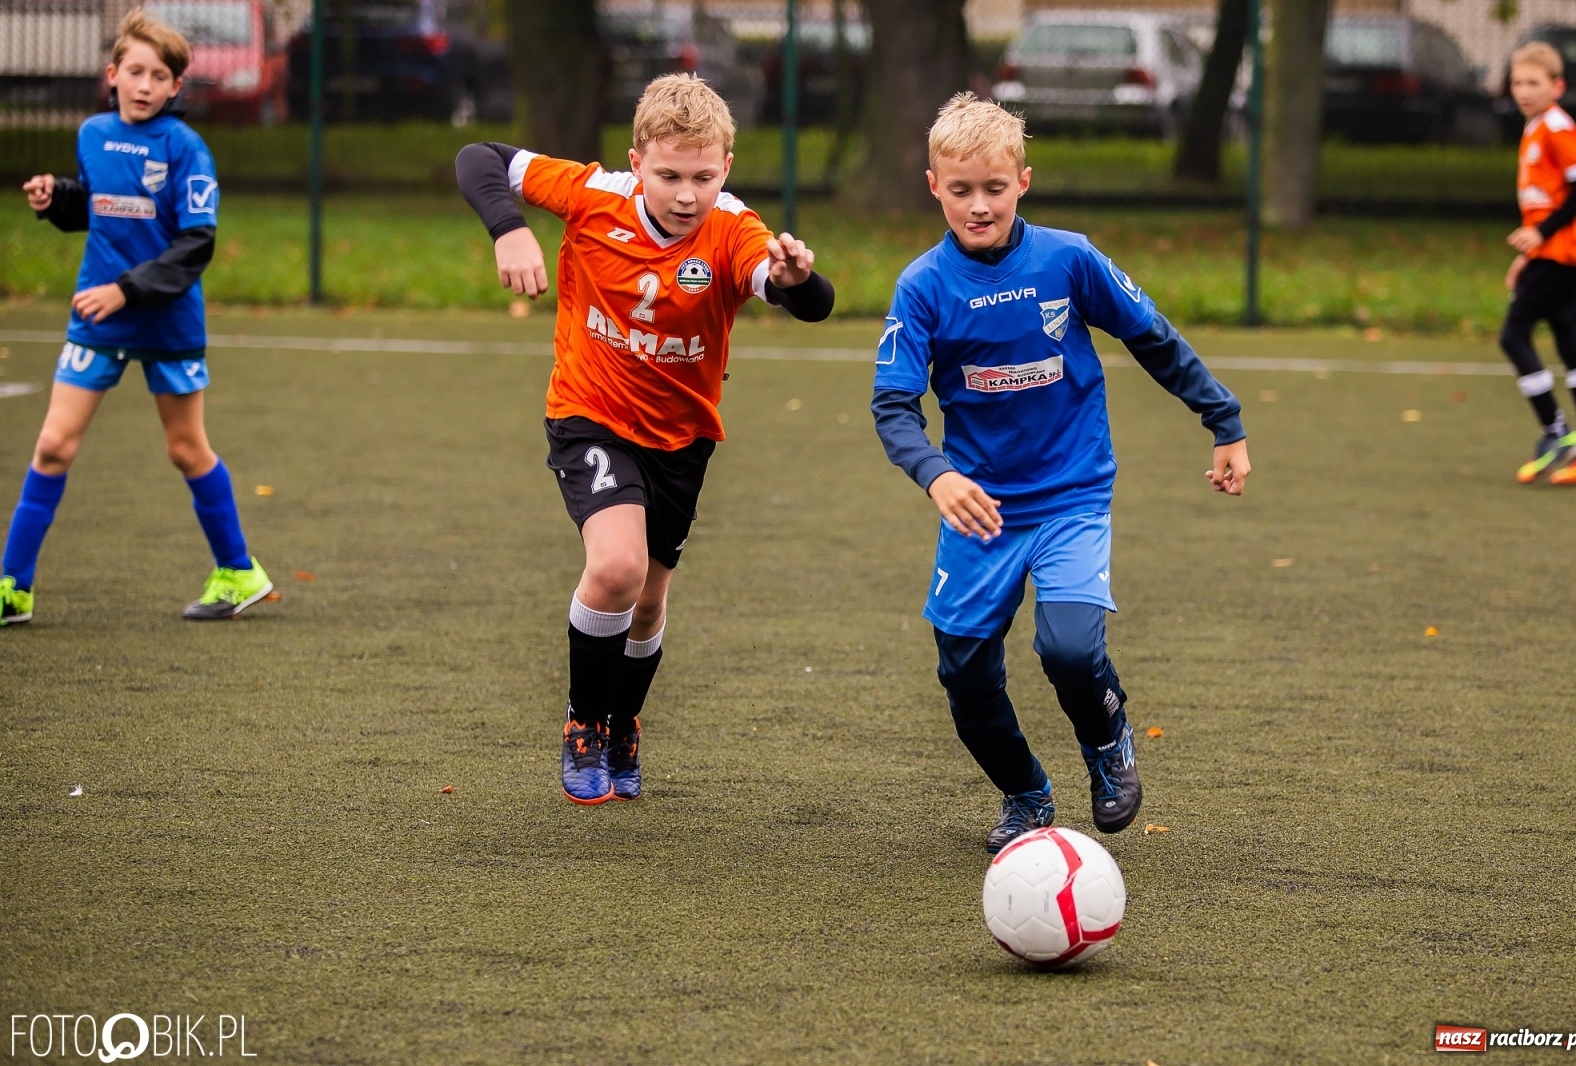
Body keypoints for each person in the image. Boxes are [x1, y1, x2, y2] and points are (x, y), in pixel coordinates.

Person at [872, 93, 1249, 852]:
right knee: (965, 675)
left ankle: (1108, 744)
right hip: (980, 506)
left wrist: (1224, 421)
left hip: (1074, 492)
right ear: (933, 186)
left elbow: (1155, 339)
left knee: (1070, 647)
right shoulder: (923, 287)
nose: (979, 206)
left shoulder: (1068, 259)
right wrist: (937, 475)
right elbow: (893, 406)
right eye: (960, 190)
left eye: (995, 188)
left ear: (1023, 182)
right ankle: (1025, 794)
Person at [455, 74, 834, 805]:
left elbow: (803, 299)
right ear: (638, 162)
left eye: (702, 175)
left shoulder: (733, 227)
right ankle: (583, 723)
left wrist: (796, 279)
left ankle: (625, 720)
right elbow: (480, 156)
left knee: (650, 604)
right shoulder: (596, 194)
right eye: (667, 175)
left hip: (682, 441)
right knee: (617, 568)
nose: (685, 193)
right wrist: (508, 227)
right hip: (589, 414)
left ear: (726, 166)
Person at [2, 10, 271, 627]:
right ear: (113, 75)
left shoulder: (185, 148)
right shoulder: (93, 134)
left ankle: (238, 570)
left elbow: (195, 243)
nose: (146, 84)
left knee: (185, 448)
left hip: (165, 319)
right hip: (99, 316)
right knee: (51, 445)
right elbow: (102, 207)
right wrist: (58, 198)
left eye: (160, 75)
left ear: (177, 86)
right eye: (136, 71)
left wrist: (125, 292)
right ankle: (13, 588)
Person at [1500, 41, 1576, 485]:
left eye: (1533, 83)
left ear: (1557, 86)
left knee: (1513, 334)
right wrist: (1528, 255)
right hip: (1556, 254)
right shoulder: (1536, 125)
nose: (1523, 90)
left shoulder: (1557, 126)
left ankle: (1557, 431)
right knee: (1569, 343)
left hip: (1563, 254)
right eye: (1517, 82)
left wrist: (1541, 236)